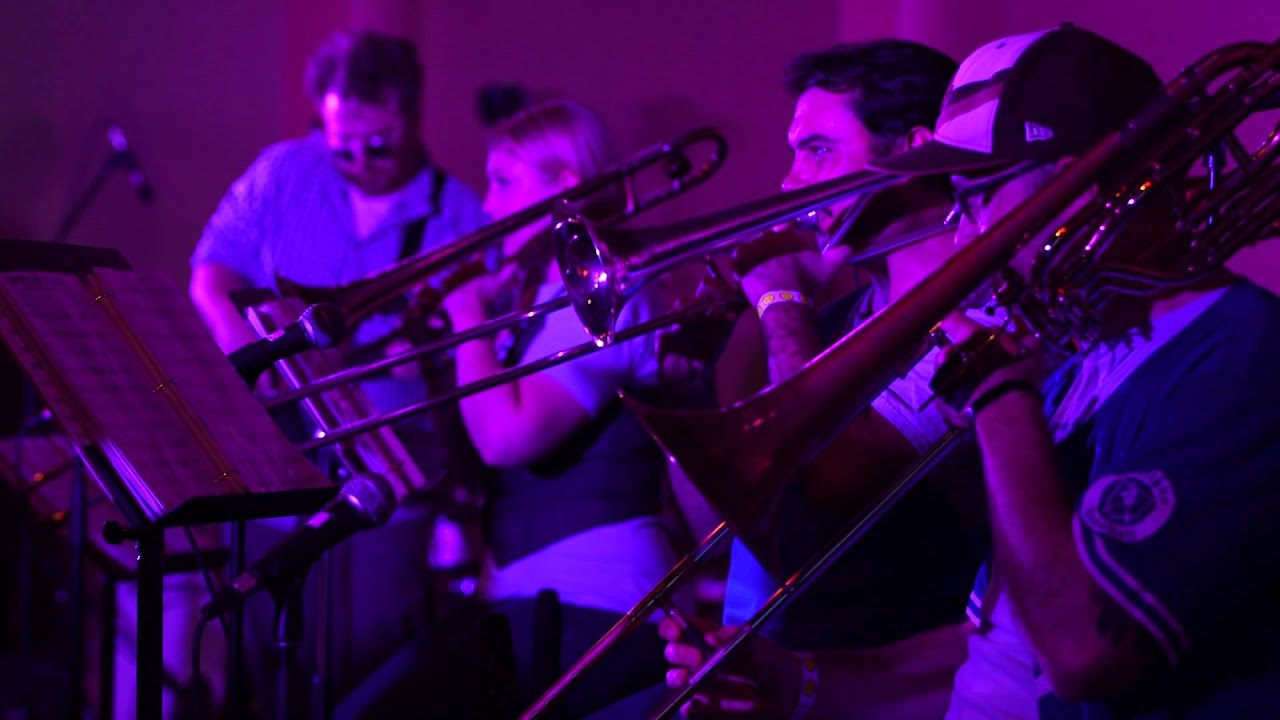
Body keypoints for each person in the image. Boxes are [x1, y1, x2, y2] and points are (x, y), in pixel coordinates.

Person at [669, 23, 1280, 718]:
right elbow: (1000, 646)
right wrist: (803, 684)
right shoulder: (1073, 350)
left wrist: (998, 388)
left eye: (977, 192)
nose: (961, 233)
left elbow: (1083, 654)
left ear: (1083, 191)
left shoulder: (1234, 349)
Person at [659, 40, 989, 718]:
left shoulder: (975, 320)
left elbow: (816, 493)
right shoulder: (836, 318)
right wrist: (689, 380)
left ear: (911, 152)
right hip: (795, 666)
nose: (788, 183)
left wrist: (781, 305)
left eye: (817, 150)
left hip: (890, 684)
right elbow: (719, 524)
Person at [187, 30, 486, 717]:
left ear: (410, 115)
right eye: (340, 142)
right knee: (268, 646)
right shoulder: (285, 171)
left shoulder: (459, 211)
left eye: (378, 142)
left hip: (394, 469)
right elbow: (212, 272)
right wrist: (250, 358)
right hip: (278, 457)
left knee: (373, 663)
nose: (358, 160)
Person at [434, 98, 676, 718]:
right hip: (532, 596)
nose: (488, 206)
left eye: (505, 182)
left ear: (564, 186)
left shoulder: (612, 289)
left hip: (595, 602)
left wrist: (465, 318)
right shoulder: (539, 294)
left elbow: (507, 438)